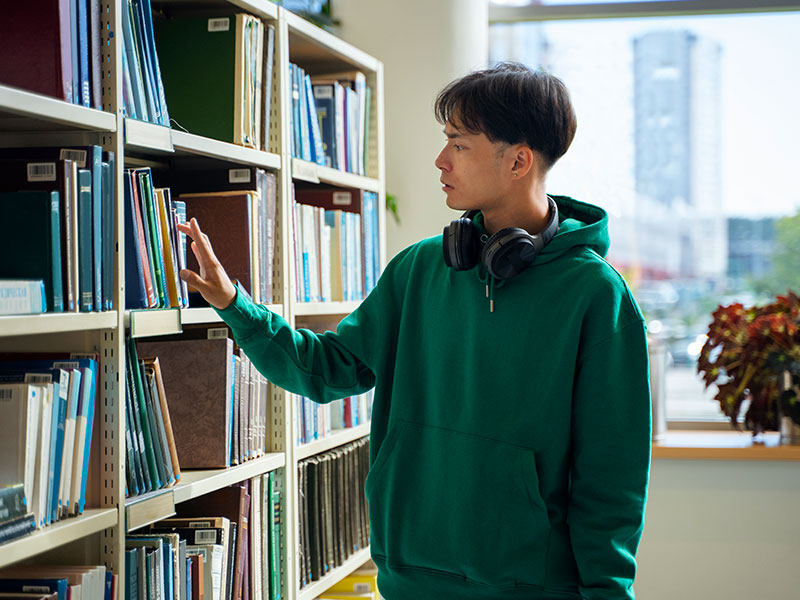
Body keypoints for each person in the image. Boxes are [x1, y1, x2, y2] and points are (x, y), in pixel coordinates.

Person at [178, 62, 651, 600]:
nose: (440, 159)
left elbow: (611, 478)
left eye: (460, 143)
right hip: (409, 578)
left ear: (518, 160)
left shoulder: (596, 295)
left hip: (535, 587)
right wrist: (235, 304)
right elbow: (327, 370)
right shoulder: (420, 269)